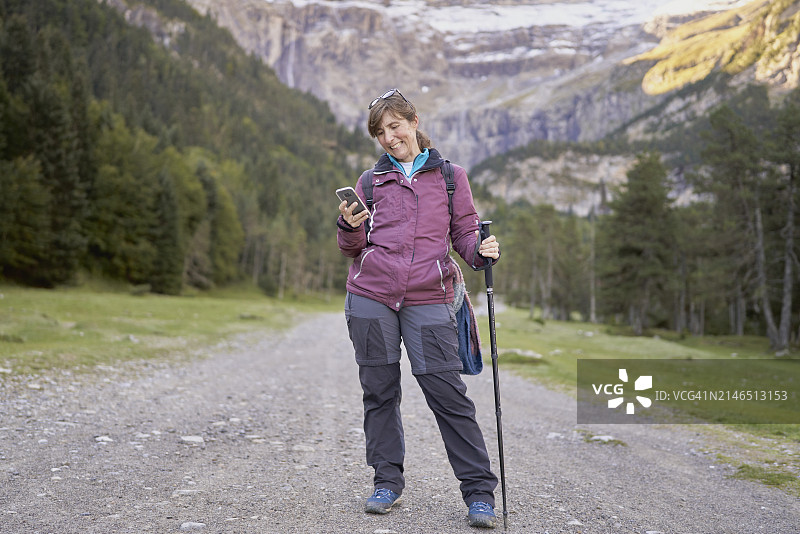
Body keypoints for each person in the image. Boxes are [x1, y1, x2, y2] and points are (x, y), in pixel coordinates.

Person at [336, 88, 501, 529]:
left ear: (413, 122)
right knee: (379, 390)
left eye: (394, 126)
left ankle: (479, 492)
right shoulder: (371, 182)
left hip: (429, 297)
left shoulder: (450, 177)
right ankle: (386, 482)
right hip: (371, 297)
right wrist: (348, 226)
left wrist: (481, 251)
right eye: (380, 133)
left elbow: (465, 234)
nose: (389, 138)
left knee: (446, 393)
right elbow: (353, 247)